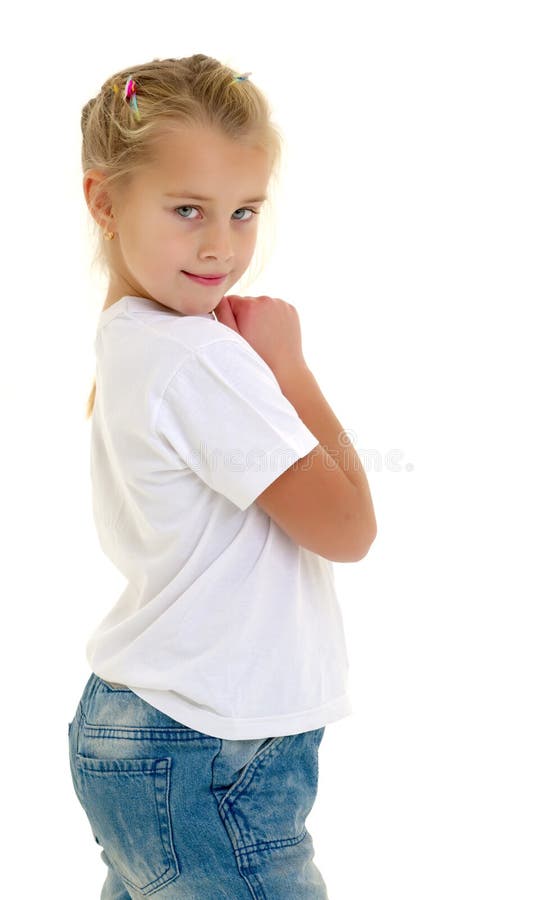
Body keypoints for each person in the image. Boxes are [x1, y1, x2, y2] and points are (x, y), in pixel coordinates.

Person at [67, 53, 377, 899]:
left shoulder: (129, 336)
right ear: (104, 201)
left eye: (244, 212)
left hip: (148, 734)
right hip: (208, 751)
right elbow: (348, 528)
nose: (221, 246)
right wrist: (290, 366)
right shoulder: (201, 357)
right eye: (187, 210)